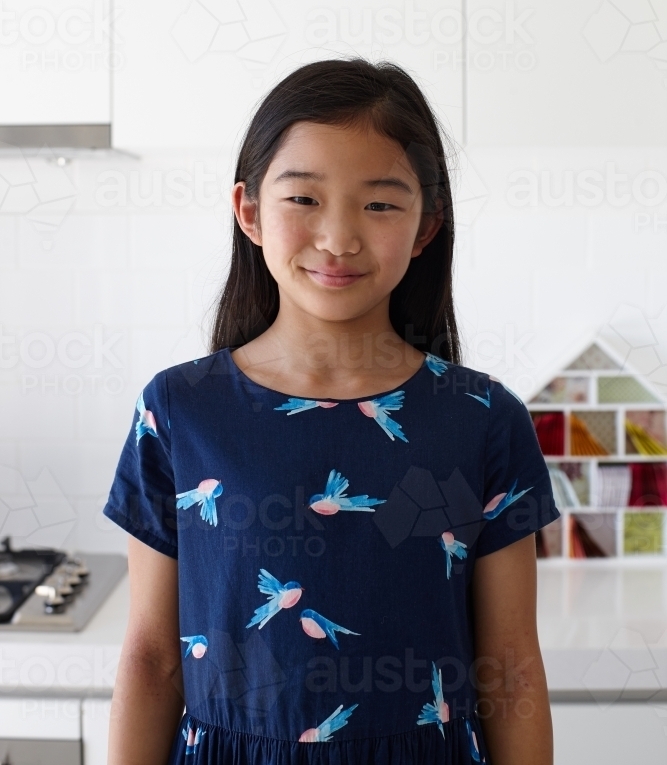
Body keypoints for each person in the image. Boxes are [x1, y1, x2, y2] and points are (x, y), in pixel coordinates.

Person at [104, 57, 560, 765]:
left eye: (379, 203)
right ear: (250, 212)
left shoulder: (480, 418)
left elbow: (510, 665)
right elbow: (153, 658)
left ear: (425, 225)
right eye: (304, 199)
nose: (339, 237)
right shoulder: (179, 411)